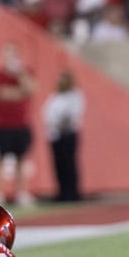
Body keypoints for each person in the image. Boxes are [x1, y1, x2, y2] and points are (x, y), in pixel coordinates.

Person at [0, 43, 36, 207]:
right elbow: (5, 94)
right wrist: (21, 92)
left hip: (21, 123)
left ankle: (21, 193)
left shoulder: (25, 72)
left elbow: (31, 89)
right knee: (0, 159)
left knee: (21, 160)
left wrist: (21, 74)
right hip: (4, 124)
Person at [42, 70, 85, 202]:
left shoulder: (75, 95)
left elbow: (70, 115)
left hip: (68, 134)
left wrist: (59, 125)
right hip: (55, 135)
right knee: (58, 165)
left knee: (69, 164)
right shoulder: (55, 97)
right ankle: (62, 193)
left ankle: (73, 193)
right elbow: (47, 113)